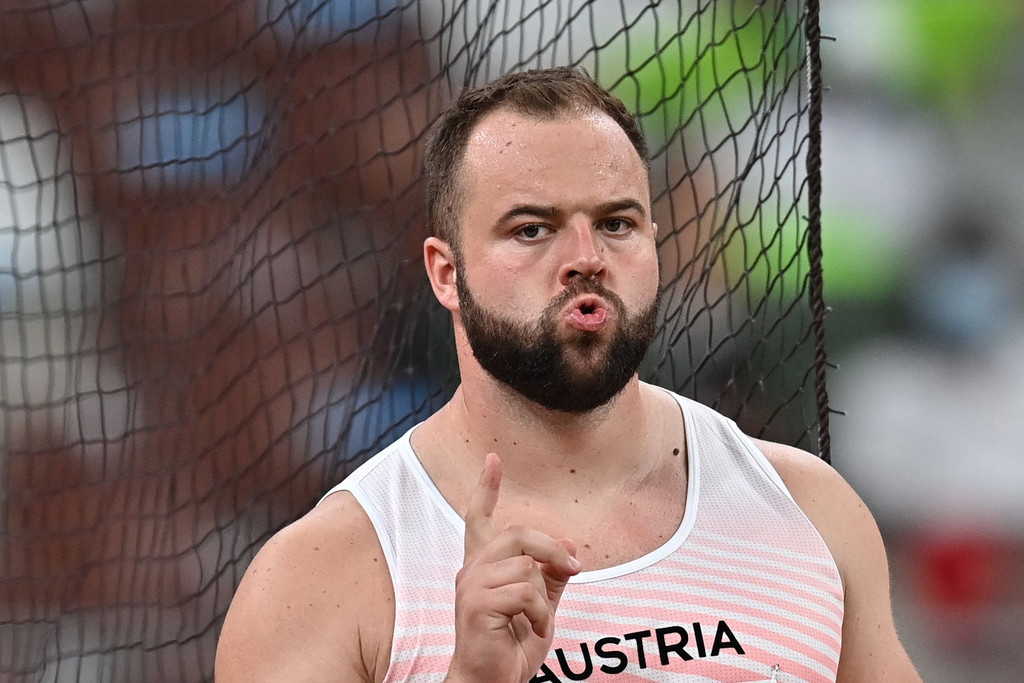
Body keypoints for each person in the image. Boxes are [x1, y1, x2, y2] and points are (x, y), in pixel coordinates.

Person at [215, 67, 921, 683]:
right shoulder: (325, 575)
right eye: (532, 229)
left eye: (616, 223)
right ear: (446, 273)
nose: (586, 257)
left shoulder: (809, 512)